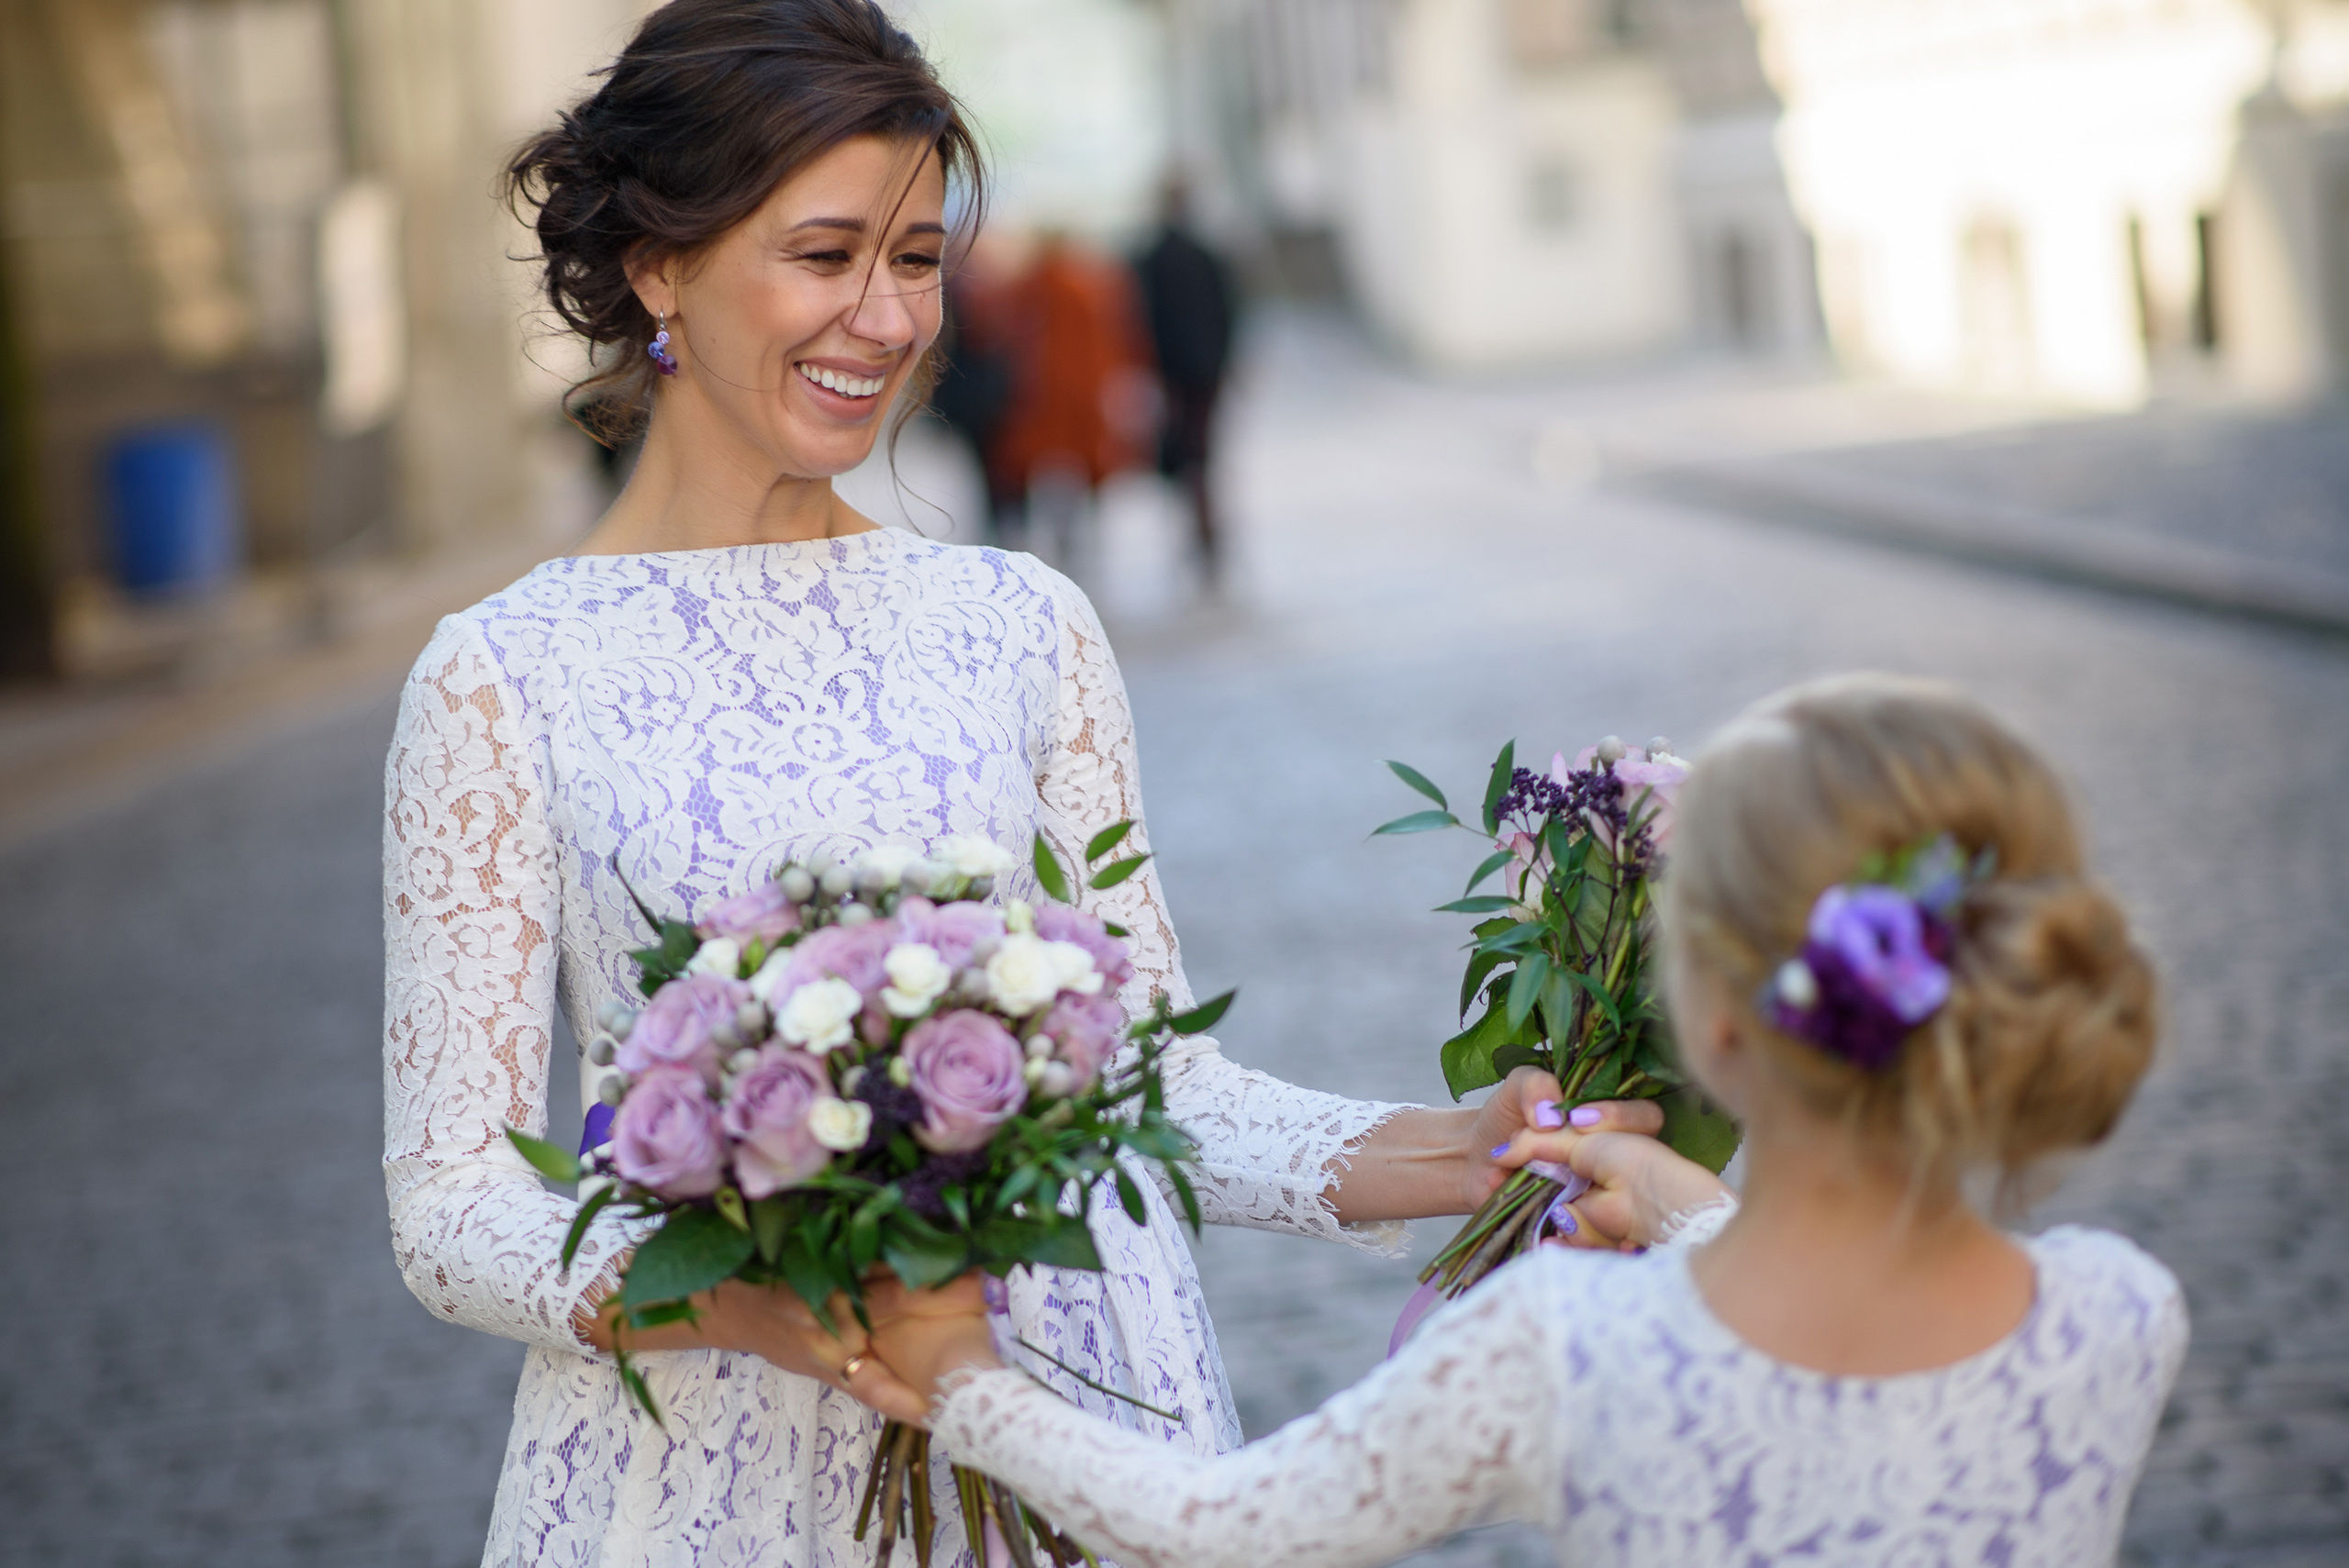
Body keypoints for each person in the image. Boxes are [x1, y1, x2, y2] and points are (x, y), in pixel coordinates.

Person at [380, 4, 1581, 1563]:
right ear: (657, 266)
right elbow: (453, 1201)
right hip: (716, 1473)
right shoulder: (500, 675)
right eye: (826, 255)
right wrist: (759, 1299)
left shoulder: (1023, 623)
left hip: (1075, 1428)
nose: (885, 319)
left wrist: (1455, 1147)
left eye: (920, 258)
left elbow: (1153, 1082)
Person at [865, 674, 2188, 1568]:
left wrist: (958, 1375)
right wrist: (1667, 1192)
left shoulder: (1560, 1344)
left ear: (1710, 1018)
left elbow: (1219, 1525)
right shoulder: (2118, 1311)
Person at [980, 231, 1155, 562]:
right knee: (1076, 470)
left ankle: (1052, 539)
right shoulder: (1087, 285)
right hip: (1077, 392)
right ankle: (1072, 540)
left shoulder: (1039, 284)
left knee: (1039, 469)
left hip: (1044, 395)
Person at [1132, 178, 1238, 584]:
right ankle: (1203, 533)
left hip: (1176, 373)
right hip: (1199, 372)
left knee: (1188, 454)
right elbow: (1228, 313)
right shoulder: (1204, 253)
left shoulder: (1153, 256)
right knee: (1199, 455)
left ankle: (1199, 532)